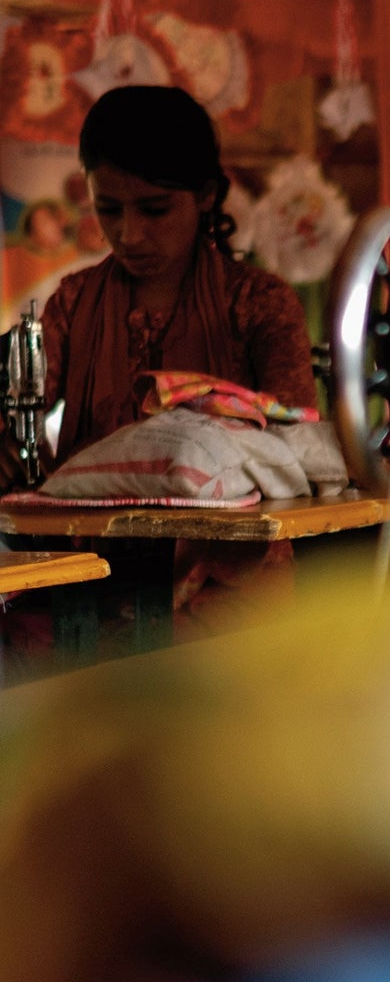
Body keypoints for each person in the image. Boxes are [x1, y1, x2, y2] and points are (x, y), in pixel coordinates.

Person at [1, 86, 317, 634]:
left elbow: (298, 453)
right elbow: (19, 410)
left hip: (230, 588)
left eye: (154, 209)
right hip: (92, 577)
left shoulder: (258, 303)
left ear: (206, 195)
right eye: (108, 209)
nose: (129, 234)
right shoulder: (73, 302)